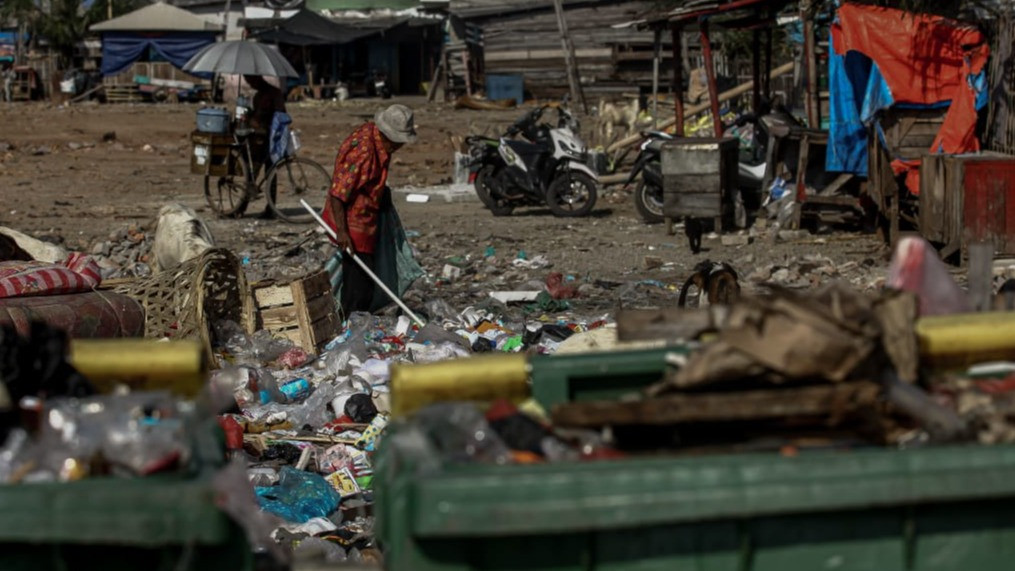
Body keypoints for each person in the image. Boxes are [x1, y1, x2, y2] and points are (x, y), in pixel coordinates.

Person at [324, 104, 416, 317]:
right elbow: (338, 194)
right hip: (351, 221)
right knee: (358, 285)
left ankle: (354, 319)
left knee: (363, 281)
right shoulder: (364, 152)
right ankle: (349, 324)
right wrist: (342, 231)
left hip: (368, 217)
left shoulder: (380, 143)